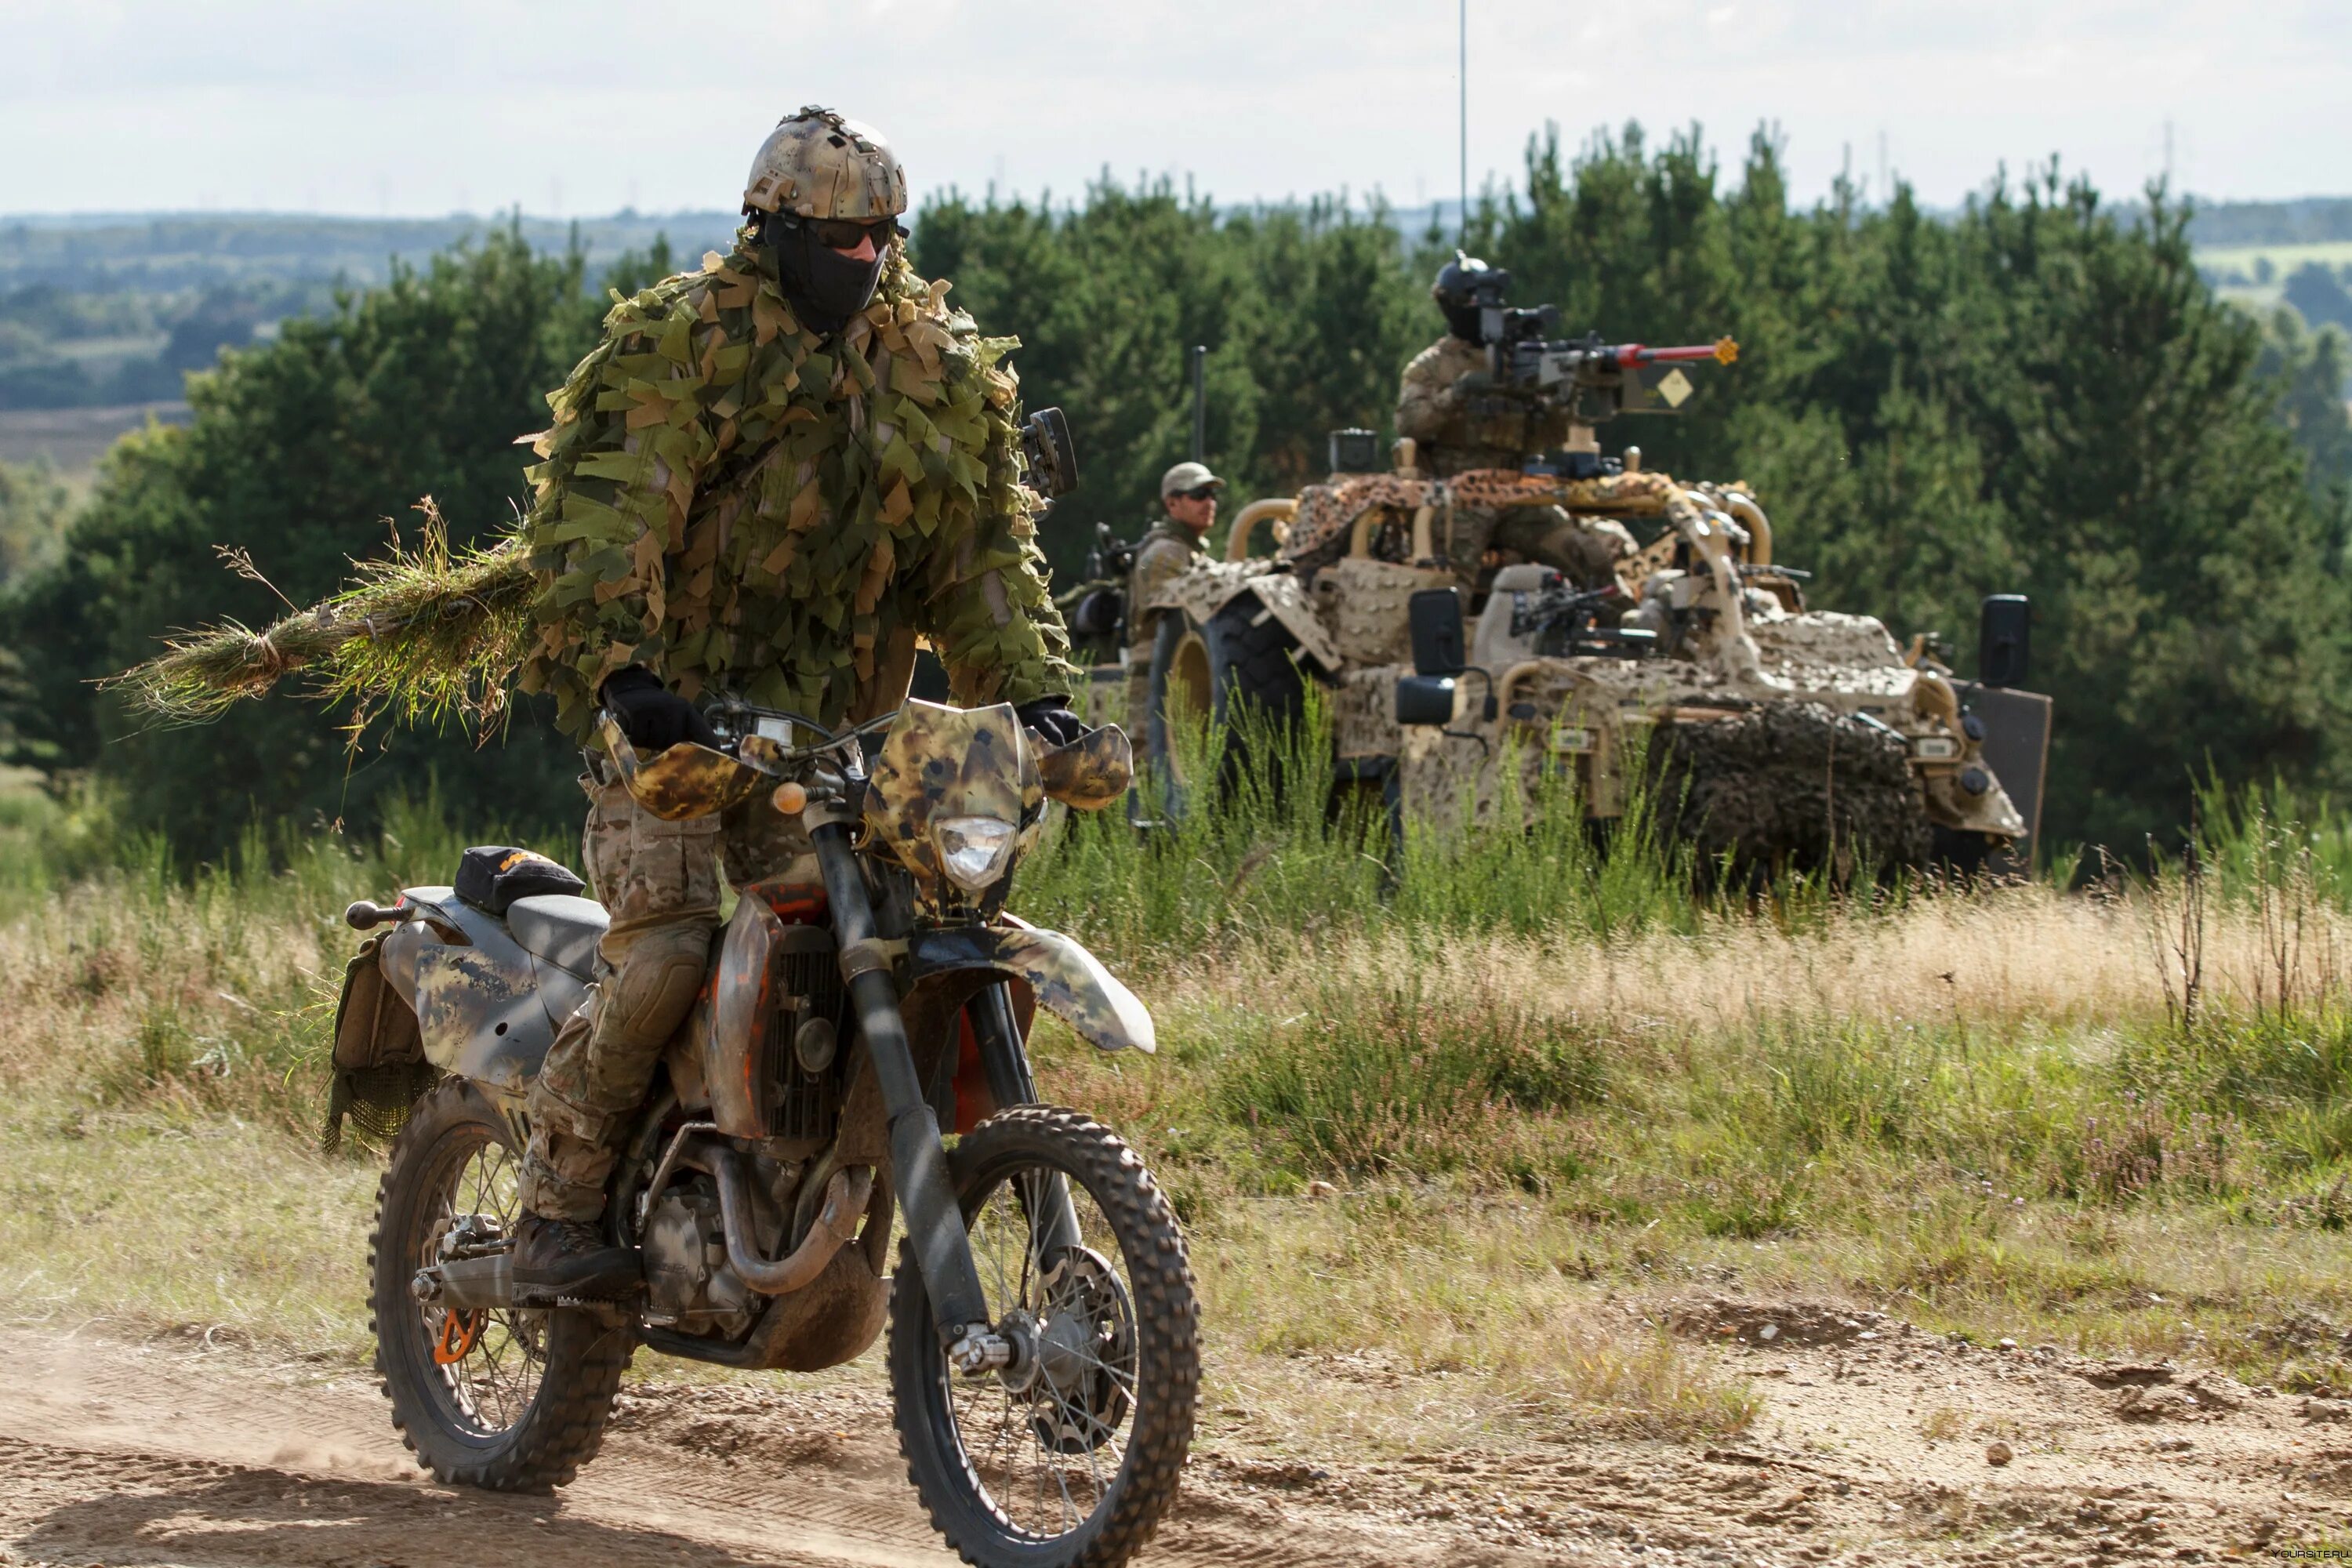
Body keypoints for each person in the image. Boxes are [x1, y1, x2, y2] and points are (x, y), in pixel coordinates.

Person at [508, 107, 1083, 1301]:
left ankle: (804, 1175)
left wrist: (1036, 699)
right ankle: (558, 1202)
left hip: (837, 749)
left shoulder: (932, 370)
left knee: (902, 931)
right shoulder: (682, 346)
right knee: (666, 957)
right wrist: (628, 681)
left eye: (882, 238)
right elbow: (610, 526)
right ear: (768, 231)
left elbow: (979, 558)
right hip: (681, 735)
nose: (863, 261)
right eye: (837, 240)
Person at [1395, 253, 1632, 592]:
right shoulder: (1431, 367)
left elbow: (1542, 437)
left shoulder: (1517, 361)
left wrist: (1560, 402)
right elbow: (1410, 424)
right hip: (1458, 495)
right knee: (1446, 587)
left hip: (1517, 495)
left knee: (1587, 556)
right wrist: (1458, 392)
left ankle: (1628, 629)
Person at [1121, 460, 1221, 728]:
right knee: (1152, 761)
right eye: (1199, 495)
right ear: (1172, 503)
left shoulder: (1185, 549)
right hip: (1158, 674)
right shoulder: (1166, 553)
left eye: (1212, 495)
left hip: (1178, 672)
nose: (1209, 502)